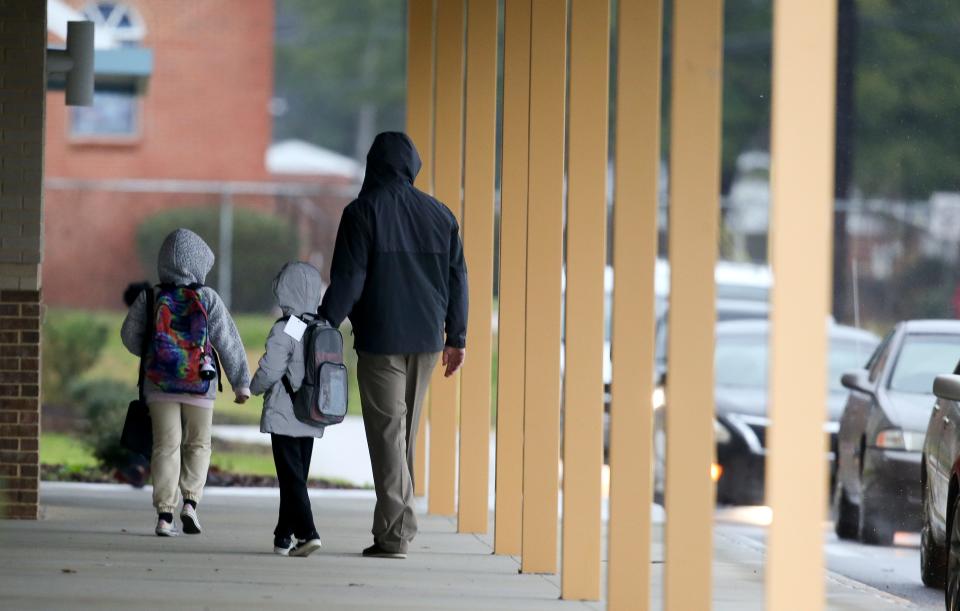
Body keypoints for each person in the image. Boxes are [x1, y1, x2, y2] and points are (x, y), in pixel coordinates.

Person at [319, 131, 468, 559]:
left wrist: (323, 321)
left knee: (387, 436)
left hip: (382, 339)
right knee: (400, 438)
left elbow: (350, 278)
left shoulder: (363, 212)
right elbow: (459, 279)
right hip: (425, 341)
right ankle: (393, 528)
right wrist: (456, 336)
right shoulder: (441, 215)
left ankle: (398, 532)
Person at [121, 228, 251, 537]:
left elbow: (128, 336)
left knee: (166, 446)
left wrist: (155, 351)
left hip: (159, 383)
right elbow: (228, 342)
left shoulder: (150, 296)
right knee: (198, 444)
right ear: (200, 264)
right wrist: (241, 382)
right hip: (200, 382)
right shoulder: (207, 298)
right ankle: (191, 503)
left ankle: (164, 515)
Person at [250, 262, 326, 558]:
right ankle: (284, 535)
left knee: (291, 479)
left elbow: (271, 369)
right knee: (295, 478)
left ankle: (308, 533)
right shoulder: (321, 325)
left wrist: (252, 388)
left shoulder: (289, 327)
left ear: (284, 290)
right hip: (311, 412)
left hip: (285, 414)